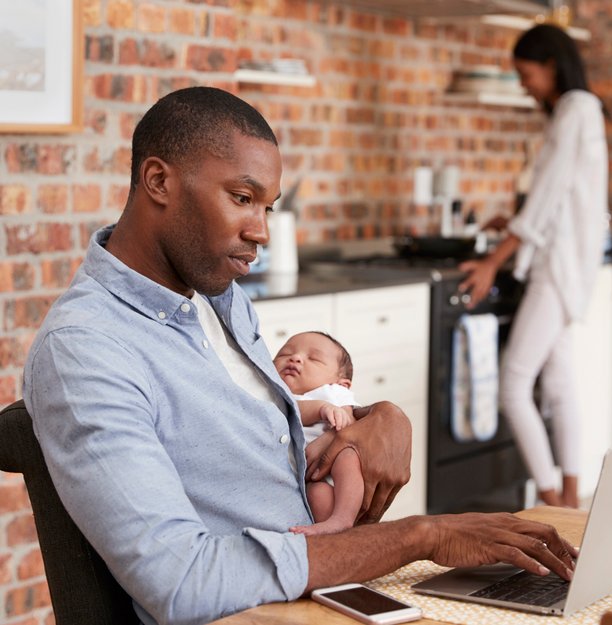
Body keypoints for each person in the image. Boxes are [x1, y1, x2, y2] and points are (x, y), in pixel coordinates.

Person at [23, 86, 577, 625]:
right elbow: (180, 580)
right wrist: (420, 536)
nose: (261, 231)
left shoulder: (218, 297)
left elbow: (287, 425)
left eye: (267, 206)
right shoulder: (87, 349)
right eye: (242, 198)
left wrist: (382, 414)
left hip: (324, 593)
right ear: (158, 181)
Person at [459, 24, 609, 509]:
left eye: (526, 74)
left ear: (551, 64)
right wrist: (514, 219)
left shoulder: (576, 109)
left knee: (514, 384)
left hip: (556, 267)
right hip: (566, 264)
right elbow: (557, 196)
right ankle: (569, 502)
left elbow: (546, 201)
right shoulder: (575, 111)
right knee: (560, 383)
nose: (524, 85)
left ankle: (549, 498)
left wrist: (491, 261)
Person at [273, 331, 364, 536]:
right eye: (283, 354)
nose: (295, 358)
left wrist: (329, 410)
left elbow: (349, 424)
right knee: (318, 494)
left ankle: (343, 517)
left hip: (334, 466)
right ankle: (332, 532)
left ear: (341, 383)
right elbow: (293, 411)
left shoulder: (333, 392)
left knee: (348, 452)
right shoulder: (276, 395)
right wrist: (320, 409)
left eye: (313, 358)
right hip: (307, 477)